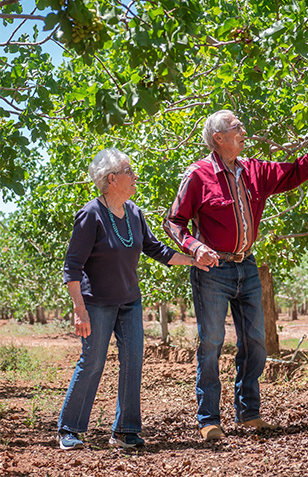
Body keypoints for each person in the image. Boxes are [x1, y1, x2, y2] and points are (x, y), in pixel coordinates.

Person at [163, 109, 308, 441]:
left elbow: (292, 173)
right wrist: (194, 248)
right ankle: (209, 419)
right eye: (236, 127)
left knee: (255, 341)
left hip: (247, 265)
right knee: (212, 342)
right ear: (219, 138)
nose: (244, 131)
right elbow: (173, 222)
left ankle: (248, 414)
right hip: (212, 269)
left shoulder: (253, 169)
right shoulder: (198, 175)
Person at [59, 148, 209, 451]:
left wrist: (194, 259)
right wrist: (79, 309)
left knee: (133, 362)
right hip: (97, 303)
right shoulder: (91, 214)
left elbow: (157, 250)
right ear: (112, 179)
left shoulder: (135, 213)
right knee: (93, 361)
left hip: (129, 302)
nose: (135, 176)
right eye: (130, 171)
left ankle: (126, 430)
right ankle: (70, 429)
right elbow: (72, 266)